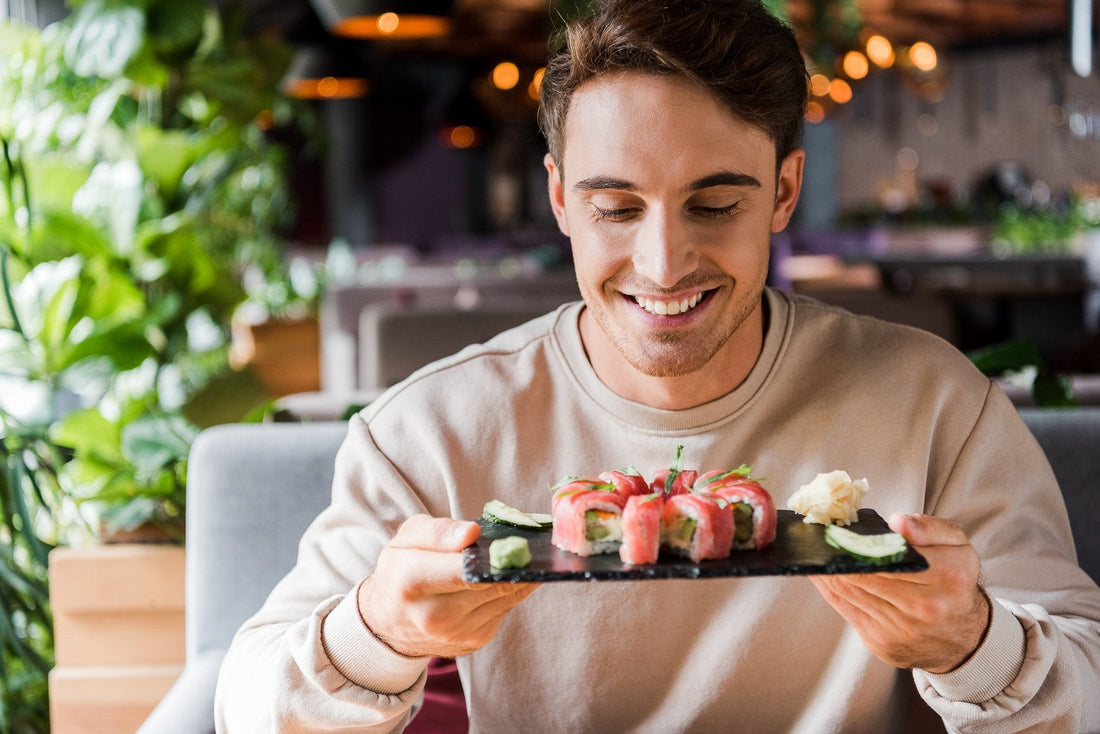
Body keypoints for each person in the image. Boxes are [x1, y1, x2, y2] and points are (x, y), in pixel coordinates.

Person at [215, 0, 1100, 731]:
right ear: (560, 197)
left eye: (714, 203)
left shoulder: (938, 405)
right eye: (615, 208)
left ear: (785, 190)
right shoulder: (426, 432)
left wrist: (974, 642)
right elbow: (244, 707)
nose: (664, 262)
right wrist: (379, 632)